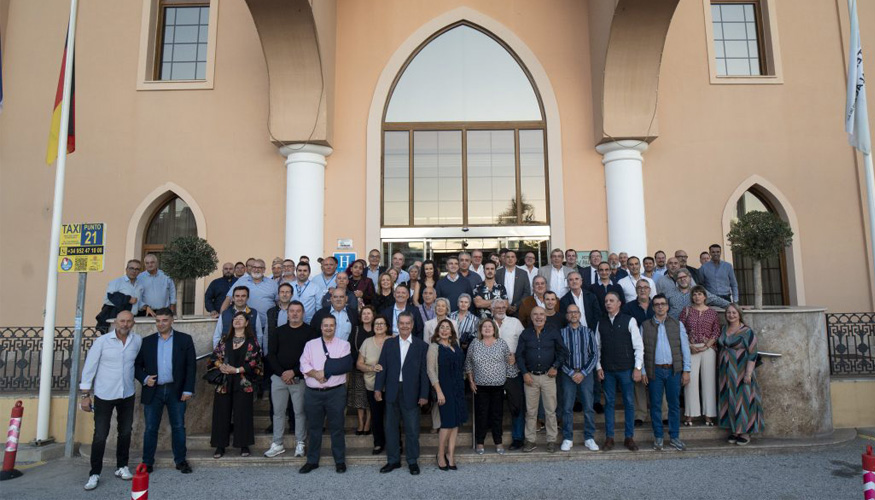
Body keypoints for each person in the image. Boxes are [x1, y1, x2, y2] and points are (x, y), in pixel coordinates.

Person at [79, 311, 142, 491]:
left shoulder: (136, 340)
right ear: (115, 322)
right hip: (104, 395)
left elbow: (136, 364)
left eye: (129, 321)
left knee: (125, 432)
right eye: (122, 321)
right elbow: (89, 367)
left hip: (127, 394)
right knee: (100, 435)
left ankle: (122, 467)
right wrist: (85, 395)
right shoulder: (102, 342)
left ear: (133, 323)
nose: (125, 324)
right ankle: (94, 473)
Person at [135, 308, 196, 474]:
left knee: (178, 427)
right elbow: (137, 366)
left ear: (172, 321)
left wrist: (188, 389)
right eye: (158, 321)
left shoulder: (184, 340)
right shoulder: (147, 341)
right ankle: (147, 462)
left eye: (164, 320)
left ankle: (181, 461)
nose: (160, 324)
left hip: (176, 391)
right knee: (150, 428)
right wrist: (145, 378)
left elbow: (191, 367)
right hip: (153, 391)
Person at [375, 312, 430, 475]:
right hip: (392, 391)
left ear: (412, 325)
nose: (404, 326)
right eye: (402, 323)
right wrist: (378, 388)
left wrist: (424, 394)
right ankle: (393, 461)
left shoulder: (421, 346)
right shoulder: (389, 344)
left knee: (412, 429)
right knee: (391, 428)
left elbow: (424, 373)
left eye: (408, 323)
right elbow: (381, 367)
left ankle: (412, 461)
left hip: (412, 393)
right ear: (397, 325)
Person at [298, 316, 353, 474]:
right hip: (313, 393)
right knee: (314, 428)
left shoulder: (344, 345)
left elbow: (343, 365)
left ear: (335, 327)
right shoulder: (310, 344)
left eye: (331, 325)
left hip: (335, 392)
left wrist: (325, 373)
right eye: (325, 325)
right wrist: (316, 374)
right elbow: (304, 363)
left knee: (337, 428)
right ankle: (312, 460)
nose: (328, 328)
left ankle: (340, 461)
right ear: (321, 327)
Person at [263, 301, 318, 459]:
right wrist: (283, 374)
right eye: (291, 311)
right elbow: (271, 355)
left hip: (299, 379)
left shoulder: (310, 332)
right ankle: (277, 443)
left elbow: (310, 358)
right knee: (278, 413)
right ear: (287, 313)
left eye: (298, 311)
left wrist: (293, 372)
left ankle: (300, 442)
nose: (294, 314)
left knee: (299, 412)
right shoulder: (278, 331)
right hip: (279, 379)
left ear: (303, 313)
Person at [209, 311, 264, 459]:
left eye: (241, 319)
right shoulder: (224, 340)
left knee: (243, 414)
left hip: (243, 382)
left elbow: (255, 362)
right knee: (221, 414)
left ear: (247, 323)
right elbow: (214, 357)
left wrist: (236, 370)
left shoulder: (252, 342)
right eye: (235, 319)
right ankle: (220, 446)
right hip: (224, 383)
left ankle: (243, 445)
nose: (237, 321)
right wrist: (221, 366)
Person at [641, 294, 691, 451]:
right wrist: (642, 370)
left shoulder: (677, 324)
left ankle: (674, 437)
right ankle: (659, 437)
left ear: (668, 306)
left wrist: (686, 370)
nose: (660, 307)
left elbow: (685, 349)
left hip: (673, 371)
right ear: (653, 307)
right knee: (655, 406)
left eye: (663, 304)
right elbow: (641, 350)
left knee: (674, 405)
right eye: (656, 304)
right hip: (654, 371)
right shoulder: (645, 325)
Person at [516, 306, 568, 453]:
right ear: (531, 317)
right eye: (535, 315)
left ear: (545, 317)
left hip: (548, 377)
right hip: (530, 377)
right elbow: (519, 355)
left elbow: (563, 352)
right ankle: (530, 440)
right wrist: (525, 373)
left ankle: (551, 440)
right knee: (531, 411)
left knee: (550, 411)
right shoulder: (525, 334)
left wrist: (556, 366)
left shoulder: (553, 332)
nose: (538, 317)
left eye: (541, 314)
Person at [596, 292, 643, 452]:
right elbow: (597, 347)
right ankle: (609, 438)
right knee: (609, 404)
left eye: (612, 301)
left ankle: (629, 437)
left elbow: (638, 346)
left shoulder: (629, 320)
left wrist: (638, 368)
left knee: (629, 403)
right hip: (608, 370)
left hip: (626, 369)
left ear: (619, 303)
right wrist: (598, 367)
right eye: (606, 301)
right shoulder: (600, 322)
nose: (608, 303)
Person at [718, 303, 763, 445]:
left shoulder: (747, 331)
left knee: (744, 399)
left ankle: (745, 431)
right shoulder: (724, 329)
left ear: (739, 314)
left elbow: (752, 353)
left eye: (734, 313)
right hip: (725, 371)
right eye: (728, 313)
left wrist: (748, 374)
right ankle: (734, 430)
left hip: (741, 369)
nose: (731, 315)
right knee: (729, 399)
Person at [464, 319, 510, 455]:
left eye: (490, 326)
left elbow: (509, 362)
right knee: (481, 414)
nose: (487, 328)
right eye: (485, 326)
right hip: (480, 386)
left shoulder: (501, 343)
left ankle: (498, 442)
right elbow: (468, 364)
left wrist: (507, 381)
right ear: (480, 329)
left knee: (497, 414)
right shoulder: (475, 343)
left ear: (494, 329)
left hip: (498, 385)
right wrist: (471, 381)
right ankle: (480, 442)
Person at [558, 304, 600, 452]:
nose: (573, 315)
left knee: (588, 407)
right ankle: (568, 438)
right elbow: (559, 356)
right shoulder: (561, 333)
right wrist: (571, 373)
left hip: (586, 375)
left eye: (576, 312)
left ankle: (589, 438)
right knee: (567, 407)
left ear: (580, 315)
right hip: (567, 374)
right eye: (570, 312)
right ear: (567, 316)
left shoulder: (588, 332)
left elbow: (594, 354)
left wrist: (583, 373)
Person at [428, 319, 468, 470]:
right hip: (444, 388)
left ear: (451, 331)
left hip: (458, 387)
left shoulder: (455, 346)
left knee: (456, 423)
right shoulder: (434, 347)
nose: (445, 330)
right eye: (442, 328)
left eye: (448, 328)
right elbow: (430, 370)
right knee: (447, 423)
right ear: (438, 331)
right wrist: (439, 391)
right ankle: (440, 454)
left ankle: (451, 454)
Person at [679, 285, 720, 427]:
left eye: (700, 294)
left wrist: (707, 346)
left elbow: (716, 331)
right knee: (690, 381)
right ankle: (690, 413)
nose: (697, 297)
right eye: (695, 294)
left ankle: (709, 414)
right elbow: (681, 330)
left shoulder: (713, 313)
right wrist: (689, 346)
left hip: (708, 349)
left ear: (705, 297)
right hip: (691, 349)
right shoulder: (686, 311)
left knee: (709, 381)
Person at [491, 299, 526, 450]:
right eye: (497, 307)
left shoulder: (515, 322)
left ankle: (518, 438)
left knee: (516, 405)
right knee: (493, 404)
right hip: (491, 370)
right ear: (492, 309)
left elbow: (525, 343)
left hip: (513, 368)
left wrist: (517, 356)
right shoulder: (486, 323)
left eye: (503, 307)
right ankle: (493, 437)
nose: (500, 309)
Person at [220, 259, 277, 346]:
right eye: (254, 267)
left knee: (266, 349)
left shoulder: (273, 284)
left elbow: (279, 302)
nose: (256, 269)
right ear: (250, 268)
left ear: (264, 269)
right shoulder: (241, 281)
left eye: (260, 267)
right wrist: (222, 316)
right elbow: (228, 298)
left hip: (267, 325)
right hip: (246, 325)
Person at [357, 314, 391, 455]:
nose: (378, 326)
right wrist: (371, 368)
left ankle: (395, 443)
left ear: (387, 326)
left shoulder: (393, 340)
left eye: (382, 323)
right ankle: (378, 443)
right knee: (376, 416)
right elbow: (359, 364)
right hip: (372, 385)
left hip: (390, 386)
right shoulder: (367, 342)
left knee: (392, 416)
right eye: (376, 323)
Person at [348, 306, 376, 435]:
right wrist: (359, 362)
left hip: (373, 369)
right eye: (364, 313)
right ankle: (360, 422)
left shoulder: (377, 330)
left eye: (368, 313)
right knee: (359, 397)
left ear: (373, 316)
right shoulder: (356, 330)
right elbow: (350, 347)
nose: (366, 316)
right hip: (358, 367)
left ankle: (368, 422)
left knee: (370, 397)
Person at [97, 260, 145, 330]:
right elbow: (108, 299)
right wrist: (127, 299)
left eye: (137, 269)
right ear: (126, 269)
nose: (134, 271)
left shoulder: (140, 285)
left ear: (139, 272)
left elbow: (137, 302)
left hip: (133, 320)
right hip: (117, 320)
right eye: (131, 268)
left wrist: (145, 306)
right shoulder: (116, 282)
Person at [666, 268, 730, 320]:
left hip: (693, 328)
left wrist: (732, 306)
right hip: (674, 327)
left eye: (685, 276)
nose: (682, 279)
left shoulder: (699, 291)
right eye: (679, 278)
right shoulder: (669, 293)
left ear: (690, 277)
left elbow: (716, 300)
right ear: (676, 280)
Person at [212, 286, 263, 351]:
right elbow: (217, 335)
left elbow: (259, 335)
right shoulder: (225, 314)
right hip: (227, 352)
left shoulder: (254, 313)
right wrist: (217, 352)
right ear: (233, 298)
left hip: (248, 353)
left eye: (243, 296)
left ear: (247, 298)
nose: (240, 298)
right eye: (237, 296)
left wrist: (258, 350)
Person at [496, 250, 532, 315]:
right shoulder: (497, 273)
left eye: (512, 257)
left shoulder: (523, 273)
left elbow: (527, 292)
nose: (510, 259)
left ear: (516, 259)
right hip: (500, 309)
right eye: (508, 257)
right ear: (504, 259)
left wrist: (516, 305)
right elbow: (494, 290)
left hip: (518, 310)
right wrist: (506, 305)